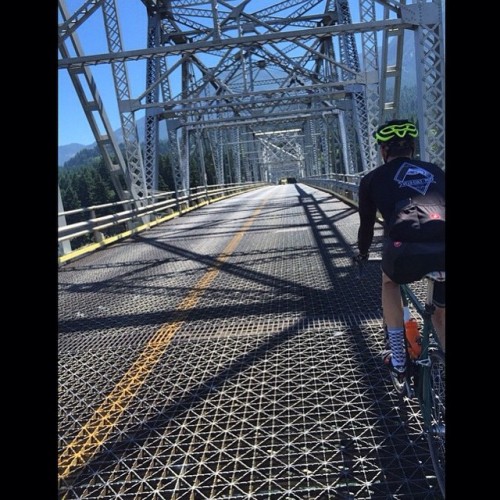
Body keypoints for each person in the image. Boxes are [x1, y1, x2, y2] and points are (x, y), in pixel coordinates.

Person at [353, 119, 445, 381]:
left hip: (405, 253)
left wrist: (362, 253)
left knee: (389, 283)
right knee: (441, 309)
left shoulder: (372, 179)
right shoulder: (436, 170)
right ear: (413, 148)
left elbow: (366, 227)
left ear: (384, 151)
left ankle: (399, 360)